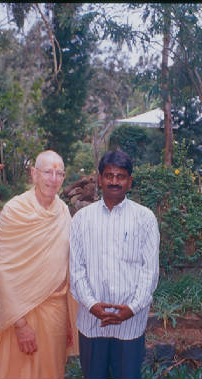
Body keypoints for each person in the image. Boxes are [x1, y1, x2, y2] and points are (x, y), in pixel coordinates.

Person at [70, 150, 160, 379]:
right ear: (99, 179)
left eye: (120, 176)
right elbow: (76, 269)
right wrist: (91, 305)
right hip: (92, 322)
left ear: (130, 181)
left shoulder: (145, 218)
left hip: (130, 323)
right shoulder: (82, 219)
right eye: (109, 175)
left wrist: (131, 308)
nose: (114, 181)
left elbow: (149, 271)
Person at [0, 150, 78, 379]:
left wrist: (69, 317)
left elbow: (65, 266)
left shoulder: (63, 212)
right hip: (21, 312)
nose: (53, 179)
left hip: (55, 311)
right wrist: (20, 324)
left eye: (59, 173)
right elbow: (4, 270)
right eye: (48, 172)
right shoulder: (15, 210)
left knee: (52, 371)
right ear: (34, 174)